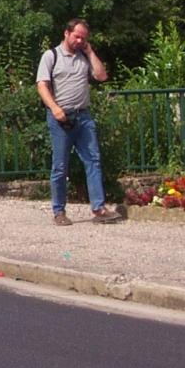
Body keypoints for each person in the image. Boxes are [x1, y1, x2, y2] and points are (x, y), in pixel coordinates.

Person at [35, 19, 122, 225]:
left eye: (83, 38)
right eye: (77, 36)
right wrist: (54, 108)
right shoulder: (51, 56)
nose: (80, 41)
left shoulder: (84, 56)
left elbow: (101, 76)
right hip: (61, 117)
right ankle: (59, 211)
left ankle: (99, 209)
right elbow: (42, 85)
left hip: (83, 116)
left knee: (93, 160)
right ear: (66, 33)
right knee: (60, 166)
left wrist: (90, 52)